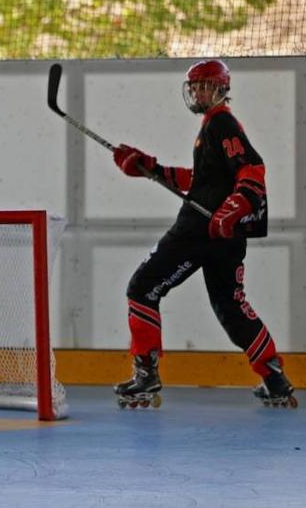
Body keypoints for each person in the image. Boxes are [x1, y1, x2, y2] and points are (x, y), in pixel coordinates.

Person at [111, 59, 294, 408]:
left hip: (197, 232)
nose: (197, 91)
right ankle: (274, 377)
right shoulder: (213, 126)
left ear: (221, 89)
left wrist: (233, 209)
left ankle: (145, 374)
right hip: (223, 237)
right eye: (194, 86)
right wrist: (151, 168)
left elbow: (252, 170)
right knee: (231, 306)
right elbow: (203, 183)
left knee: (141, 288)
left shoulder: (221, 123)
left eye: (205, 85)